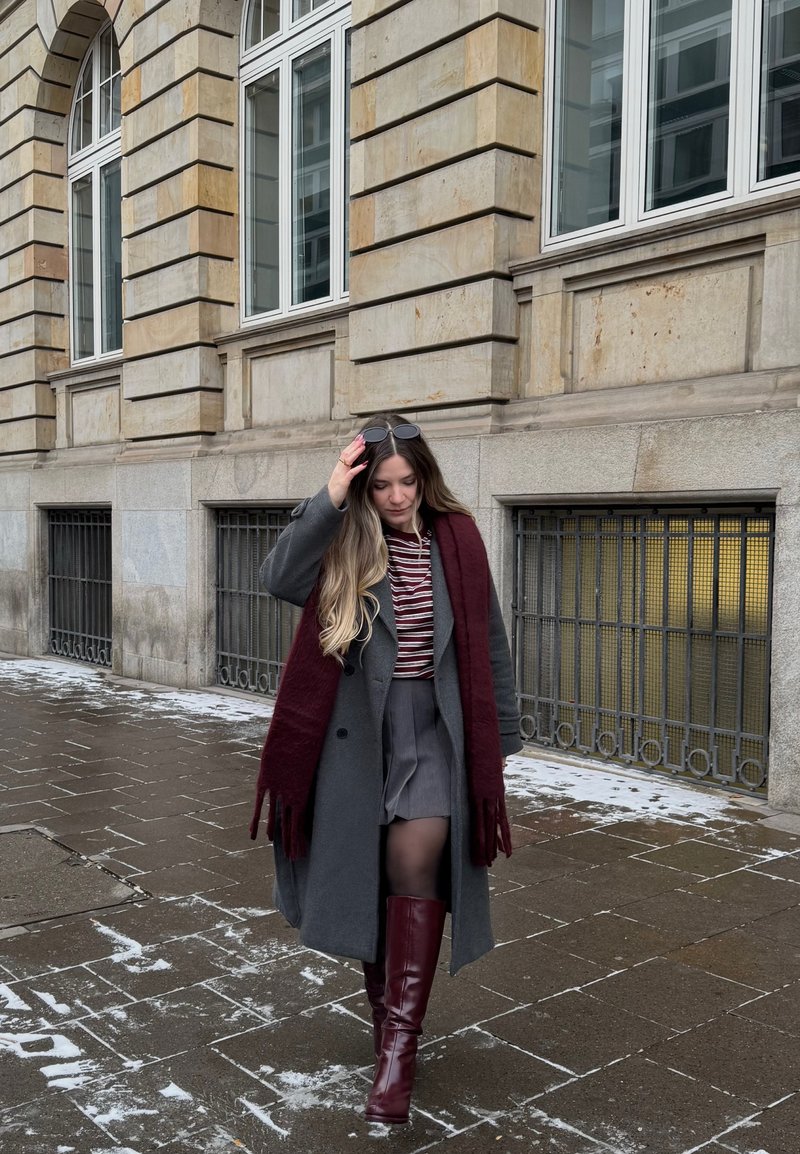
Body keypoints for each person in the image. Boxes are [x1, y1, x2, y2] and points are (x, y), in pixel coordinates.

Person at [250, 413, 522, 1125]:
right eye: (383, 485)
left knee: (415, 862)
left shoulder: (456, 540)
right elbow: (278, 576)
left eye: (408, 482)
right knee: (376, 880)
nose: (398, 497)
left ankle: (398, 1050)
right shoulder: (341, 536)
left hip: (436, 729)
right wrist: (333, 493)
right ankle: (387, 1028)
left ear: (424, 479)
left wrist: (498, 742)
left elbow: (487, 636)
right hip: (358, 736)